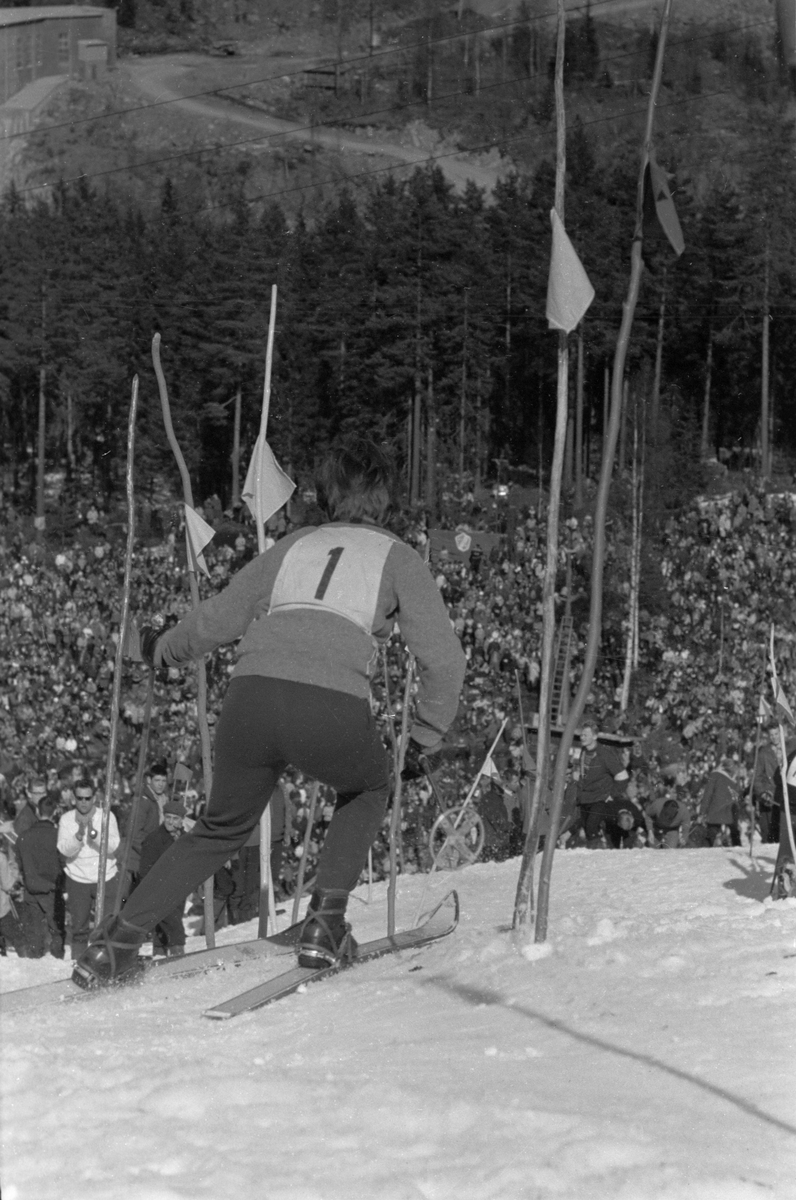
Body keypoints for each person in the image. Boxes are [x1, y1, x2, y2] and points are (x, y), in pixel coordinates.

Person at [73, 437, 466, 987]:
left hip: (251, 696)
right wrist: (423, 737)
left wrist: (160, 648)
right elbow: (444, 660)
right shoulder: (400, 557)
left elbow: (221, 616)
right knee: (372, 787)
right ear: (387, 500)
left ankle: (117, 942)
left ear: (328, 495)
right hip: (329, 703)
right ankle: (325, 924)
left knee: (219, 827)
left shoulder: (297, 544)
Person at [57, 778, 120, 960]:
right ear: (73, 798)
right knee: (79, 928)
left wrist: (95, 835)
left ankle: (106, 962)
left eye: (87, 798)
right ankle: (79, 963)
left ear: (94, 797)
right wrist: (78, 837)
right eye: (79, 798)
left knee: (108, 927)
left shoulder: (106, 816)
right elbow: (63, 849)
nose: (83, 802)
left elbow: (113, 845)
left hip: (105, 876)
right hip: (78, 878)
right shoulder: (66, 819)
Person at [16, 792, 65, 958]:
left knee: (34, 932)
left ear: (38, 812)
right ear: (55, 813)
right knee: (56, 930)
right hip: (52, 890)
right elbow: (63, 862)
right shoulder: (58, 836)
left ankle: (35, 959)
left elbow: (19, 864)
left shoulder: (23, 837)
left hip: (31, 890)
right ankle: (58, 957)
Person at [136, 800, 187, 957]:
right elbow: (144, 870)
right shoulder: (154, 839)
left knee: (163, 928)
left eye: (175, 818)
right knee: (174, 926)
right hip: (160, 891)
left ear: (181, 820)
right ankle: (179, 957)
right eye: (168, 817)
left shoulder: (185, 838)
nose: (171, 822)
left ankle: (159, 956)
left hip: (179, 890)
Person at [698, 758, 741, 846]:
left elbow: (707, 794)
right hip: (730, 815)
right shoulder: (734, 780)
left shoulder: (714, 775)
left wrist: (702, 812)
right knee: (735, 843)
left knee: (710, 842)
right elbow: (737, 798)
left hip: (715, 813)